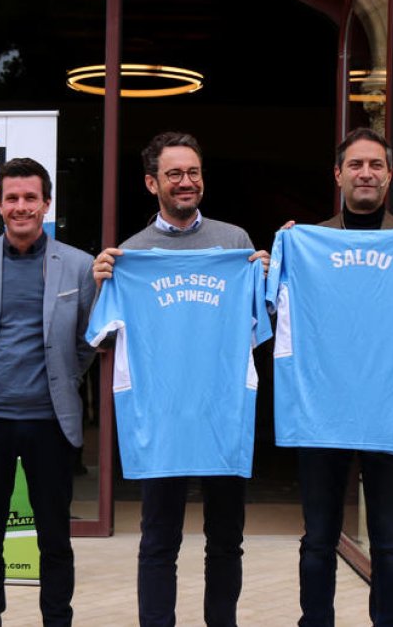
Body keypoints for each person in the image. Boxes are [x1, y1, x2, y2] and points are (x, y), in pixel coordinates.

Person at [93, 131, 269, 627]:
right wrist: (102, 283)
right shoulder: (131, 254)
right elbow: (104, 339)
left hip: (222, 415)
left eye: (193, 172)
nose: (185, 181)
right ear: (152, 183)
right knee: (158, 541)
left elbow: (262, 328)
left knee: (226, 540)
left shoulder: (236, 243)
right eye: (174, 174)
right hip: (162, 418)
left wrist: (265, 278)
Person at [281, 127, 393, 627]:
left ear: (390, 176)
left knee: (391, 542)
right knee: (318, 538)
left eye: (376, 165)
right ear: (338, 175)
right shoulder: (306, 241)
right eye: (356, 165)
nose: (366, 173)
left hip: (392, 406)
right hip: (323, 407)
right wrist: (278, 253)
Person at [0, 157, 96, 627]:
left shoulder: (79, 266)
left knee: (54, 537)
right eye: (11, 198)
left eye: (30, 197)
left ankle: (57, 620)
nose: (21, 207)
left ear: (46, 204)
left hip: (50, 421)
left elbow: (86, 342)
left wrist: (60, 379)